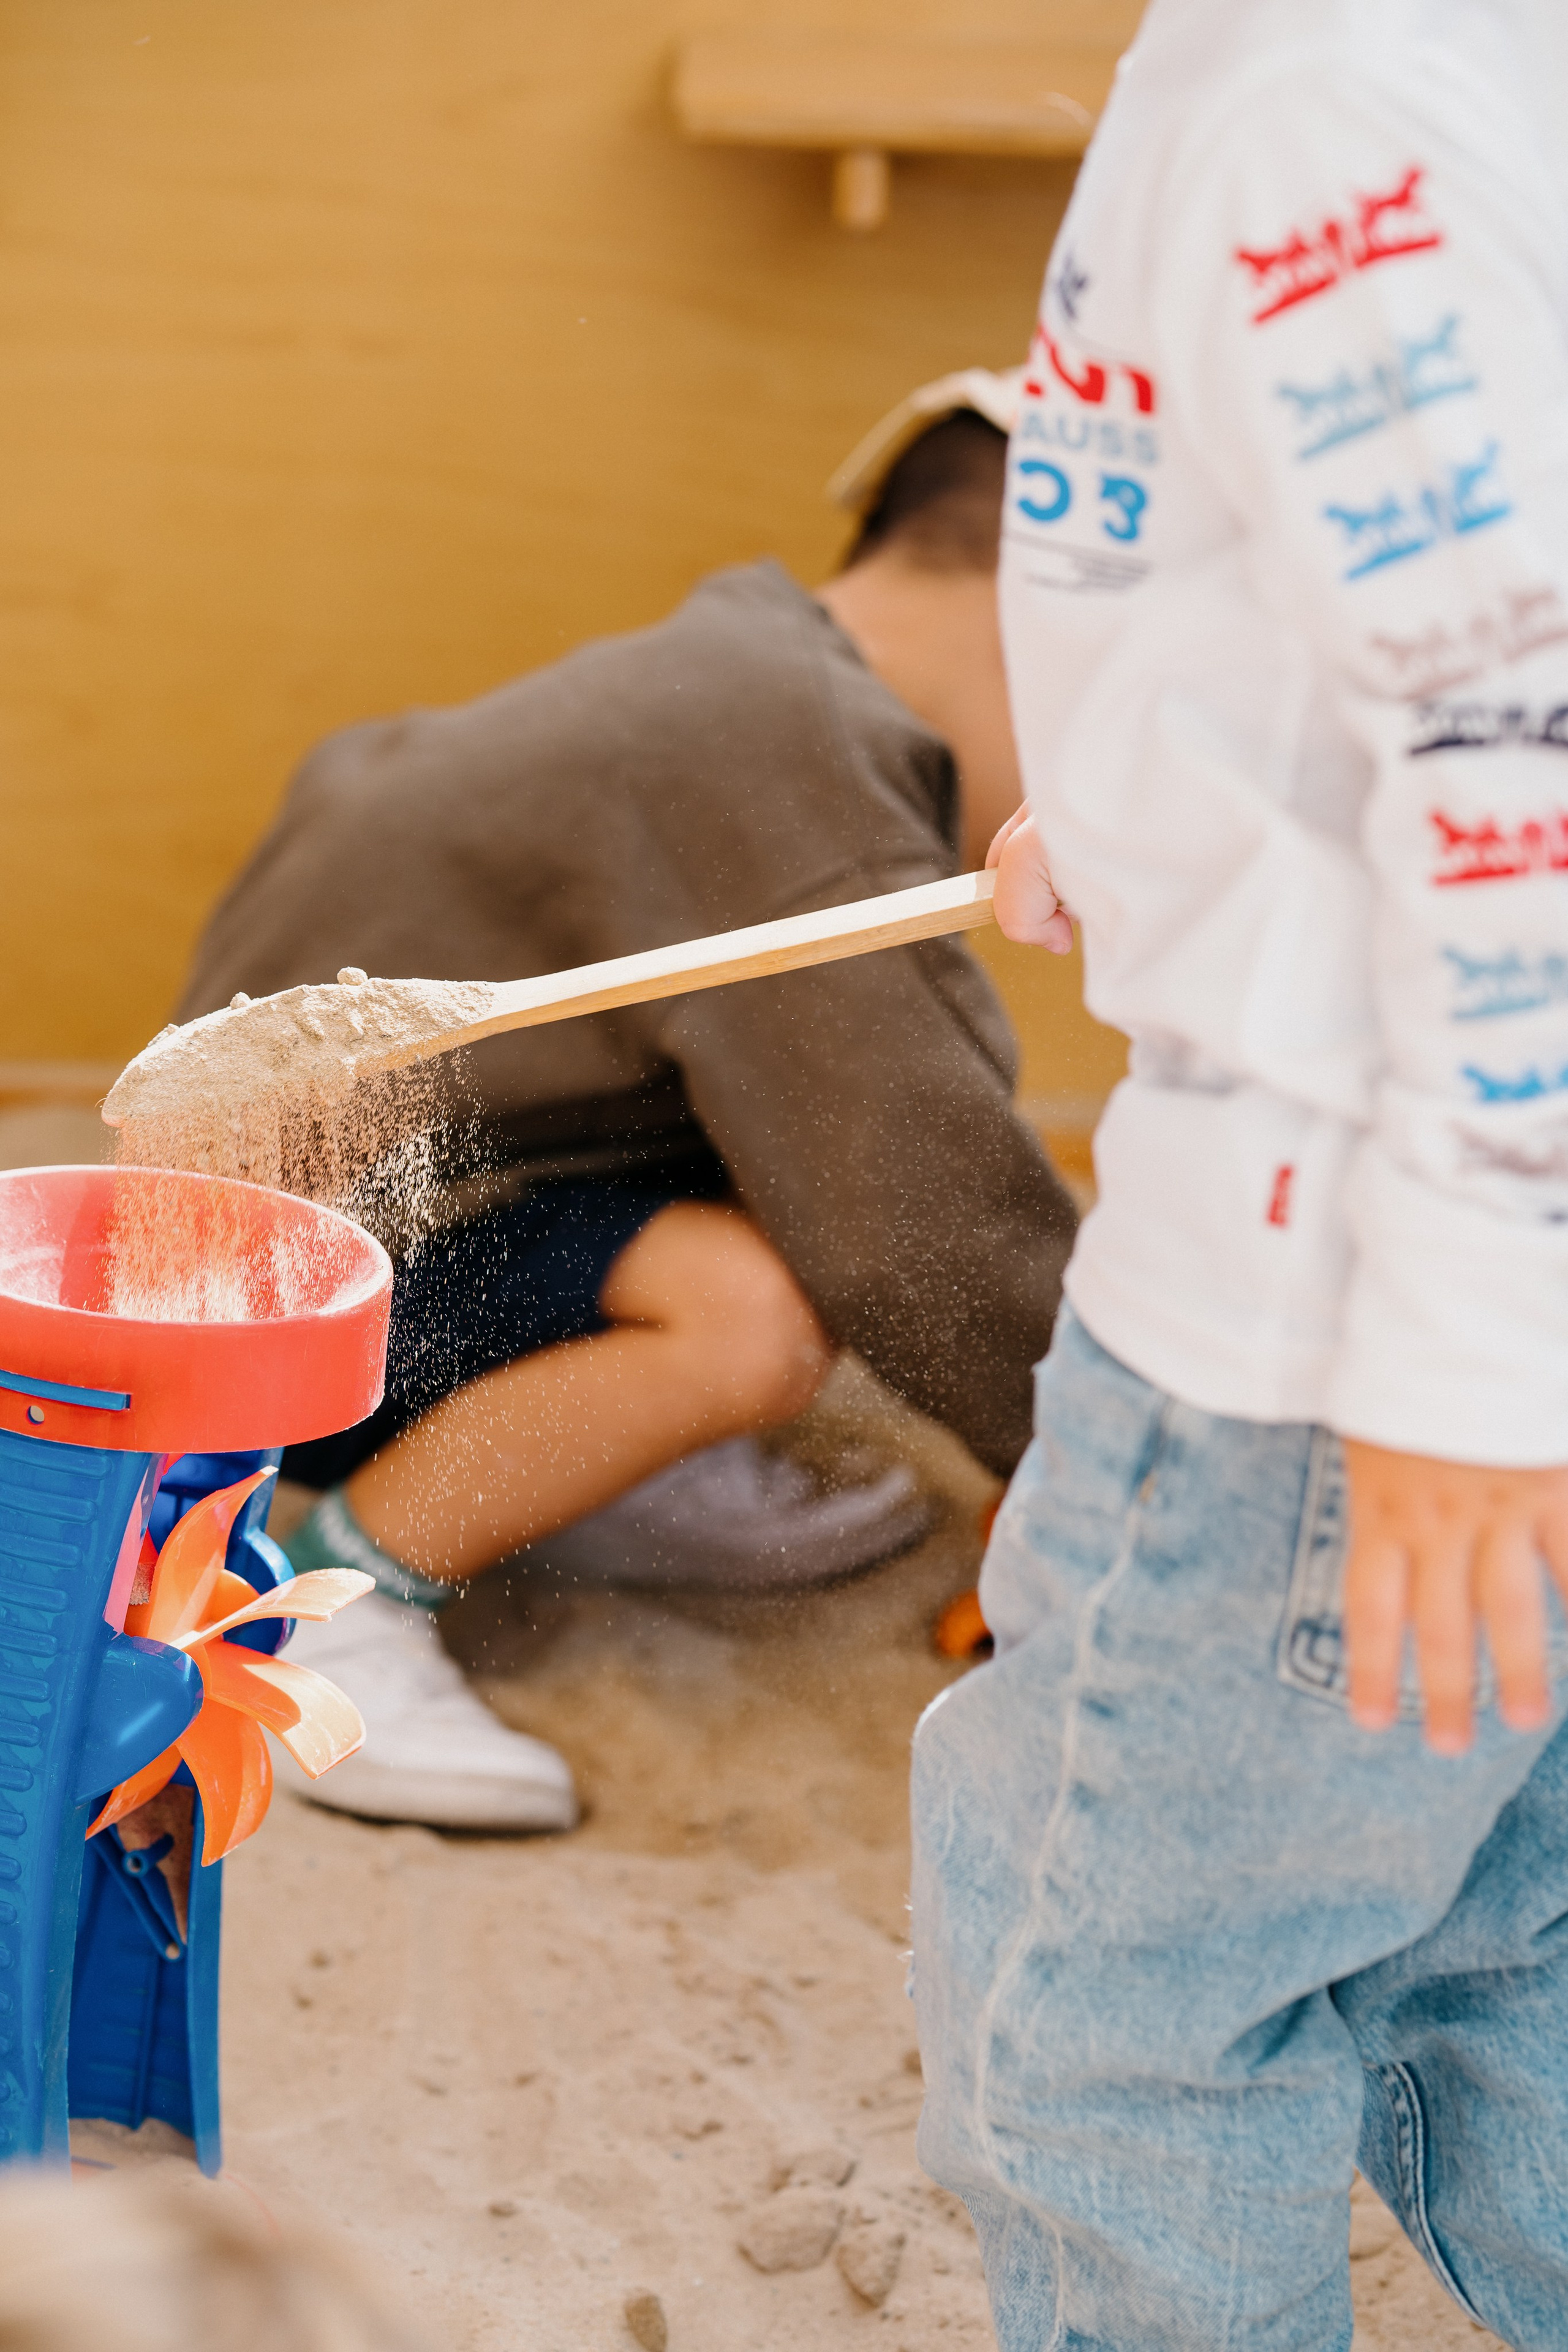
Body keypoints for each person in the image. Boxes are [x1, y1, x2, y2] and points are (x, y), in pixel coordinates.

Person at [910, 4, 1568, 2348]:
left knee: (1109, 2035)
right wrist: (1160, 816)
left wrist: (1480, 1358)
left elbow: (1514, 726)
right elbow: (1366, 626)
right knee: (1500, 1950)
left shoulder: (1327, 94)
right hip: (1445, 1256)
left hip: (1330, 1319)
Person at [176, 372, 1079, 1834]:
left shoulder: (748, 677)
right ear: (1051, 617)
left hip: (369, 1219)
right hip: (279, 1307)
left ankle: (579, 1465)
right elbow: (924, 1202)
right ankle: (316, 1610)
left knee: (791, 1135)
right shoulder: (781, 752)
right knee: (758, 1306)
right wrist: (1108, 1473)